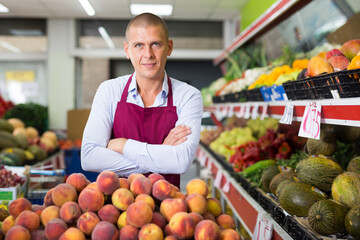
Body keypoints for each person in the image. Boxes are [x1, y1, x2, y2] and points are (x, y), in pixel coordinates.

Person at [81, 12, 203, 188]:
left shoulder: (189, 96)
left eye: (155, 44)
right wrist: (162, 154)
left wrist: (123, 145)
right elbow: (89, 158)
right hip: (116, 205)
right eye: (139, 45)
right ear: (127, 50)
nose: (148, 54)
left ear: (169, 47)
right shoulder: (109, 91)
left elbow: (181, 161)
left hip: (167, 206)